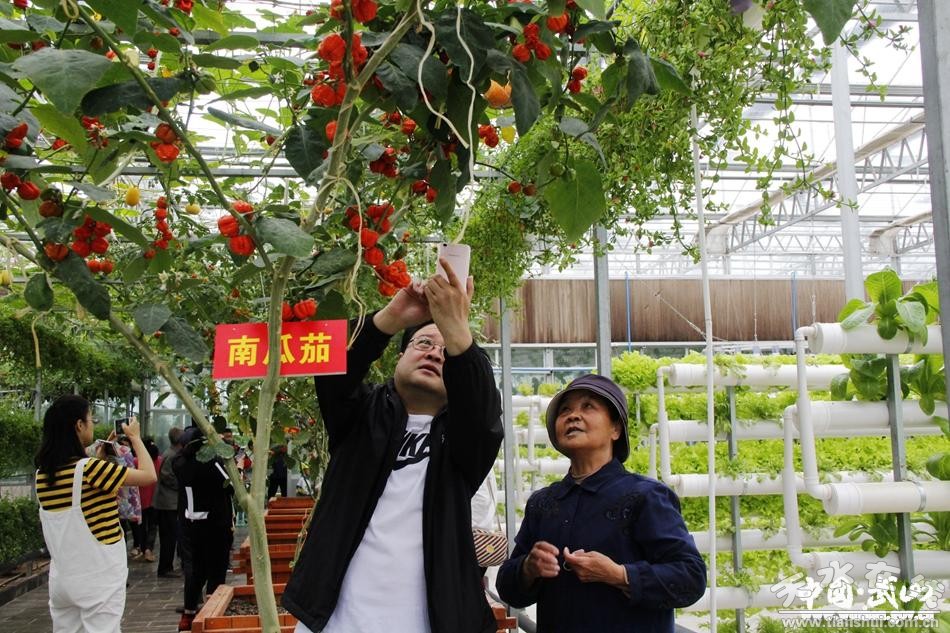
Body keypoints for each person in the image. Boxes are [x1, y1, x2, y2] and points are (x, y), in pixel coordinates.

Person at [282, 260, 504, 633]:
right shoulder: (360, 417)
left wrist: (457, 329)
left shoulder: (464, 444)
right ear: (399, 358)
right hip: (334, 622)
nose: (434, 353)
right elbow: (335, 367)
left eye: (445, 351)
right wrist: (392, 316)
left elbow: (483, 413)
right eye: (423, 343)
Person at [496, 374, 707, 633]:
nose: (573, 416)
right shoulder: (544, 503)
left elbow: (691, 577)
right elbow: (507, 588)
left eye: (588, 406)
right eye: (565, 410)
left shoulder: (646, 496)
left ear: (615, 429)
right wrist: (528, 568)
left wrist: (619, 575)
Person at [34, 395, 157, 633]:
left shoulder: (42, 474)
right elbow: (148, 476)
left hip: (62, 577)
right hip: (98, 575)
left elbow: (80, 488)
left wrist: (98, 458)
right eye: (91, 419)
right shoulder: (92, 469)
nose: (93, 424)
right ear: (79, 425)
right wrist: (135, 438)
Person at [173, 426, 234, 632]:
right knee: (216, 568)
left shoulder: (179, 463)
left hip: (189, 524)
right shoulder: (212, 462)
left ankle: (188, 614)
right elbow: (230, 485)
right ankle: (212, 614)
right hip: (215, 524)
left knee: (195, 570)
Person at [154, 427, 183, 578]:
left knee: (170, 536)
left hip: (169, 502)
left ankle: (167, 566)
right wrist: (181, 484)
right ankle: (165, 568)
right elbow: (166, 476)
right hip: (167, 502)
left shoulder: (171, 453)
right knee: (168, 537)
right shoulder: (171, 455)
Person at [131, 439, 161, 562]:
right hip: (155, 498)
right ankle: (149, 548)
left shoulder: (136, 461)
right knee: (153, 526)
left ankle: (143, 549)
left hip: (140, 500)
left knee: (142, 526)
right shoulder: (160, 460)